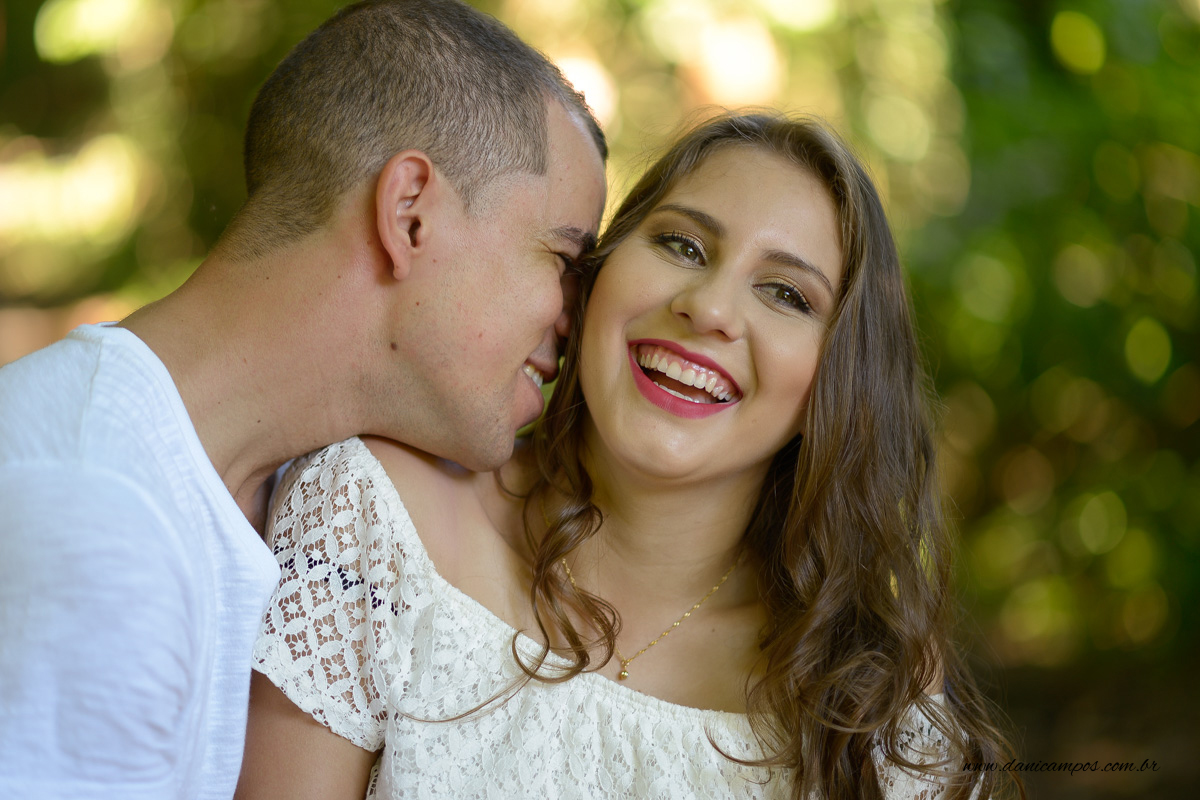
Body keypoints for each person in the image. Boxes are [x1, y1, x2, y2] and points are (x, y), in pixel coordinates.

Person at [238, 113, 1020, 800]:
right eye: (681, 244)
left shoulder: (865, 692)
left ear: (840, 383)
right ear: (596, 276)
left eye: (787, 294)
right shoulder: (374, 516)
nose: (709, 308)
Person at [0, 1, 606, 796]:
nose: (575, 314)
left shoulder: (269, 496)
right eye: (561, 256)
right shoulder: (97, 516)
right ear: (410, 215)